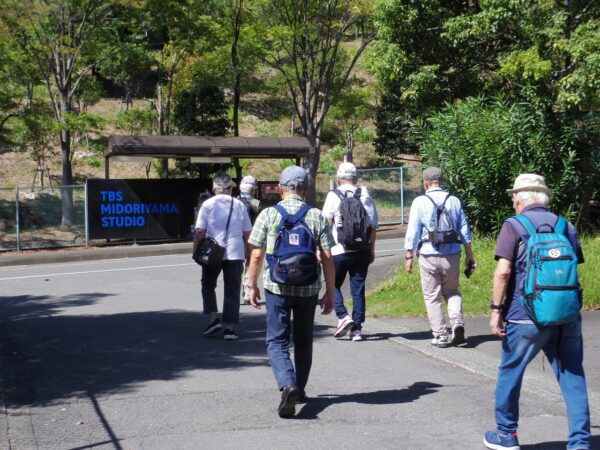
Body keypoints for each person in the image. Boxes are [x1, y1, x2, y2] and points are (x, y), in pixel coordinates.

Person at [484, 173, 590, 450]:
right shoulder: (565, 225)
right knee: (572, 375)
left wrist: (496, 310)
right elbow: (571, 266)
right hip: (567, 315)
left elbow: (504, 272)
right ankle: (580, 442)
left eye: (513, 199)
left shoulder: (514, 225)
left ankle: (506, 435)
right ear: (544, 198)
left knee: (511, 372)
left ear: (519, 200)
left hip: (525, 316)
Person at [245, 165, 336, 418]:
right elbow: (327, 257)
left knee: (277, 340)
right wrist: (331, 291)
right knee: (304, 340)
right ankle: (300, 388)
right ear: (305, 190)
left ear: (280, 188)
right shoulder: (316, 215)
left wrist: (251, 285)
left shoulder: (268, 214)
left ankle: (288, 385)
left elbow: (256, 255)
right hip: (308, 288)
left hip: (277, 286)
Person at [404, 166, 475, 348]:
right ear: (441, 182)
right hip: (452, 253)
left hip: (428, 253)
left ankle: (441, 335)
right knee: (452, 291)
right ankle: (457, 323)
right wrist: (469, 255)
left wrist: (409, 255)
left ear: (425, 183)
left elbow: (413, 230)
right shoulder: (453, 200)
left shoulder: (420, 201)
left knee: (432, 296)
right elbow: (464, 229)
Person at [321, 162, 378, 341]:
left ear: (338, 178)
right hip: (362, 249)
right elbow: (373, 226)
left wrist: (322, 249)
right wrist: (371, 249)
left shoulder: (333, 195)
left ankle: (343, 316)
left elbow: (325, 223)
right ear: (356, 178)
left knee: (333, 284)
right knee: (358, 289)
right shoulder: (365, 195)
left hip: (339, 249)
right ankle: (357, 330)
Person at [193, 173, 252, 340]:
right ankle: (229, 329)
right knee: (232, 290)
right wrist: (249, 251)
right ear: (230, 188)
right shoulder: (240, 205)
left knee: (208, 284)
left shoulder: (207, 204)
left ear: (214, 188)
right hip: (235, 252)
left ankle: (213, 319)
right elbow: (247, 232)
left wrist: (196, 248)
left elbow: (200, 231)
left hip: (212, 253)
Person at [239, 175, 261, 305]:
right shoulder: (255, 203)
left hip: (237, 238)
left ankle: (237, 291)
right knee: (250, 264)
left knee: (238, 266)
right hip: (251, 237)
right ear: (253, 190)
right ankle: (247, 294)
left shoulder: (235, 201)